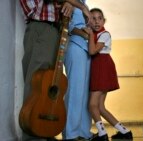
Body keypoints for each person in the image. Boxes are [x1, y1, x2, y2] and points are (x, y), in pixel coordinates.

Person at [19, 0, 90, 140]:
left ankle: (45, 131)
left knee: (51, 84)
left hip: (56, 30)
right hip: (42, 27)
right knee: (37, 82)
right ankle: (33, 136)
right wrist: (79, 5)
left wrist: (68, 4)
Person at [85, 8, 133, 141]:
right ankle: (125, 132)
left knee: (92, 105)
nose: (96, 21)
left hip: (103, 69)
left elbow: (92, 51)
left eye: (99, 18)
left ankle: (102, 134)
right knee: (100, 107)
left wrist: (89, 34)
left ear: (104, 20)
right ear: (89, 21)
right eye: (93, 18)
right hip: (100, 69)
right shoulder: (95, 34)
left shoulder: (104, 34)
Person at [62, 0, 93, 140]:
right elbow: (67, 25)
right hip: (74, 45)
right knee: (74, 91)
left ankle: (84, 132)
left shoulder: (82, 3)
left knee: (86, 93)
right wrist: (85, 34)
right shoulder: (69, 3)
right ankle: (70, 133)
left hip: (87, 48)